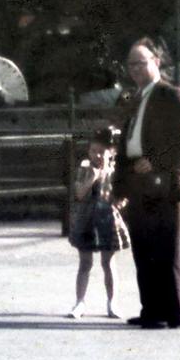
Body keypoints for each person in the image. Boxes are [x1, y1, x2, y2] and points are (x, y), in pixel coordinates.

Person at [113, 36, 180, 329]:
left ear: (157, 62)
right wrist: (119, 187)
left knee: (164, 248)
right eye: (131, 64)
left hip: (166, 181)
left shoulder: (171, 94)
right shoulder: (134, 98)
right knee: (143, 248)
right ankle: (151, 309)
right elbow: (127, 142)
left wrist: (157, 160)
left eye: (141, 62)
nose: (135, 68)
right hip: (140, 181)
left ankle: (172, 313)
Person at [67, 128, 129, 319]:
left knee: (108, 263)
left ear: (113, 152)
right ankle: (79, 303)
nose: (97, 155)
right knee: (85, 263)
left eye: (102, 151)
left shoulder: (116, 171)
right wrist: (93, 177)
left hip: (107, 219)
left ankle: (112, 303)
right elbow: (78, 193)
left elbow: (124, 194)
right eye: (93, 151)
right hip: (87, 218)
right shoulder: (85, 168)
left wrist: (121, 201)